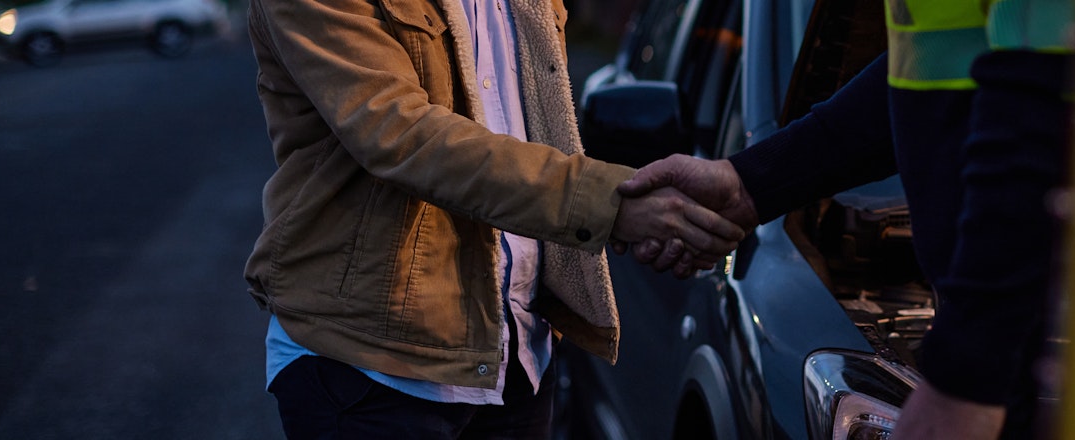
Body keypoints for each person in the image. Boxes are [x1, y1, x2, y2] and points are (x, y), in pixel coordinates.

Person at [241, 0, 743, 436]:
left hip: (516, 352)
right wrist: (614, 204)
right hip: (371, 365)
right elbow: (401, 135)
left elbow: (534, 125)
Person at [620, 0, 1075, 438]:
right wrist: (750, 183)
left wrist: (967, 377)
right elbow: (924, 77)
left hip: (1064, 351)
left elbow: (1048, 93)